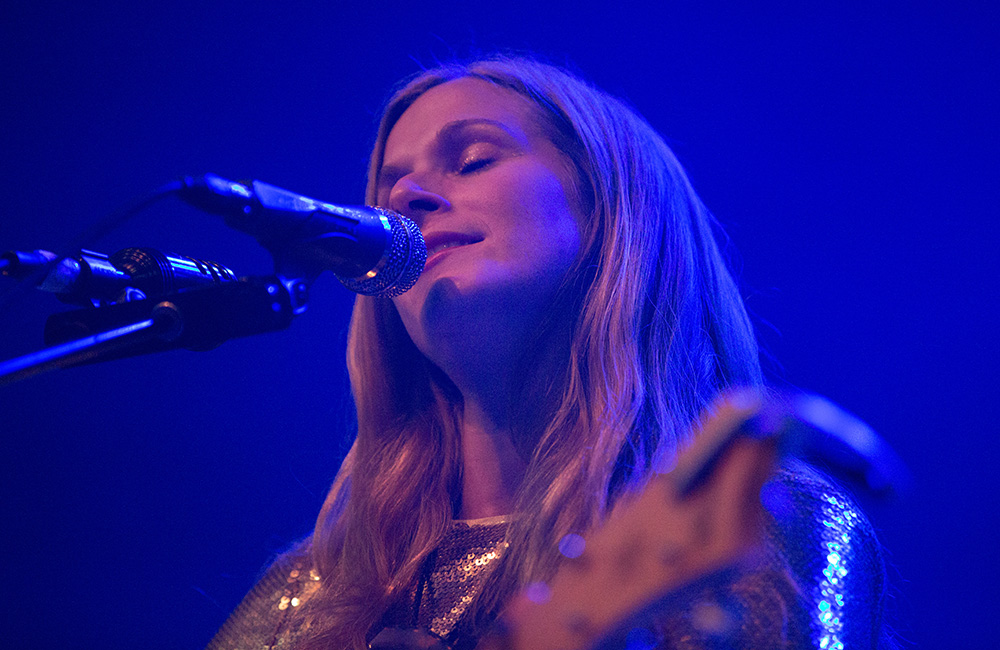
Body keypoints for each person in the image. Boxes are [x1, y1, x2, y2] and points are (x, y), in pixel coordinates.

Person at [206, 56, 892, 649]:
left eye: (472, 159)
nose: (406, 199)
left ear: (612, 214)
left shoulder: (754, 522)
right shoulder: (308, 594)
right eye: (392, 188)